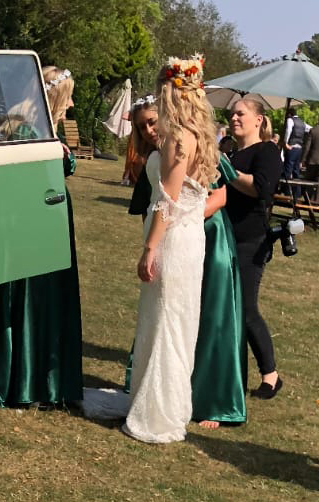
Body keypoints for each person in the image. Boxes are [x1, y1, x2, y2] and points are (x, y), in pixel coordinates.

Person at [0, 65, 83, 407]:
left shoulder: (35, 128)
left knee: (32, 296)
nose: (70, 108)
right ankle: (18, 379)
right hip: (33, 218)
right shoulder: (29, 131)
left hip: (42, 214)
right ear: (56, 97)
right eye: (68, 100)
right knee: (26, 295)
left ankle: (27, 374)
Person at [125, 54, 217, 443]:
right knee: (169, 321)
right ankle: (156, 403)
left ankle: (159, 414)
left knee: (167, 323)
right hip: (188, 234)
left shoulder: (181, 139)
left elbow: (167, 199)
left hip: (174, 237)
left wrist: (150, 247)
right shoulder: (197, 137)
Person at [225, 99, 284, 399]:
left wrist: (228, 171)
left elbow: (261, 189)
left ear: (258, 120)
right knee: (225, 308)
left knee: (247, 309)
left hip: (251, 241)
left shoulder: (267, 151)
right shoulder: (232, 152)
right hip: (225, 238)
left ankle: (270, 375)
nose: (234, 118)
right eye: (232, 114)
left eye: (240, 114)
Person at [192, 152, 248, 428]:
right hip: (179, 235)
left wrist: (182, 218)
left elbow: (221, 196)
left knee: (214, 312)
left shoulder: (210, 152)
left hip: (209, 235)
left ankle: (214, 401)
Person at [125, 95, 158, 218]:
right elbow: (144, 205)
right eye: (142, 127)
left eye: (152, 122)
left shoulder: (182, 153)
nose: (148, 130)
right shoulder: (149, 159)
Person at [281, 109, 308, 179]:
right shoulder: (302, 122)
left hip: (291, 147)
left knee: (287, 170)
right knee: (296, 171)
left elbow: (288, 131)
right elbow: (310, 129)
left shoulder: (290, 120)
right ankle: (297, 190)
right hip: (299, 149)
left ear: (289, 114)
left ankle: (286, 189)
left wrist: (285, 142)